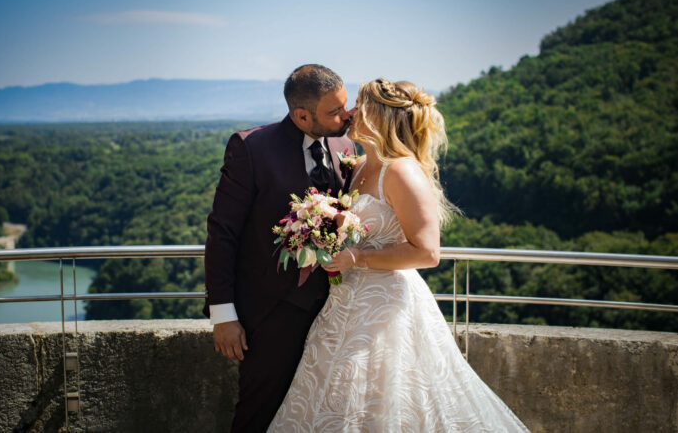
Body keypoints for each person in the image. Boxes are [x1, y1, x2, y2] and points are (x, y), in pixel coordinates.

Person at [268, 79, 530, 432]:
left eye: (359, 105)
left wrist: (355, 258)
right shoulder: (358, 165)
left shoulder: (402, 171)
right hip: (344, 303)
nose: (350, 113)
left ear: (377, 116)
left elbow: (427, 251)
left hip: (387, 310)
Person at [203, 64, 356, 432]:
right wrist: (223, 315)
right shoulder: (251, 148)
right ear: (302, 115)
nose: (346, 116)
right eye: (335, 111)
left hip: (336, 310)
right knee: (260, 410)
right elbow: (222, 233)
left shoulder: (345, 144)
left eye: (344, 105)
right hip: (271, 312)